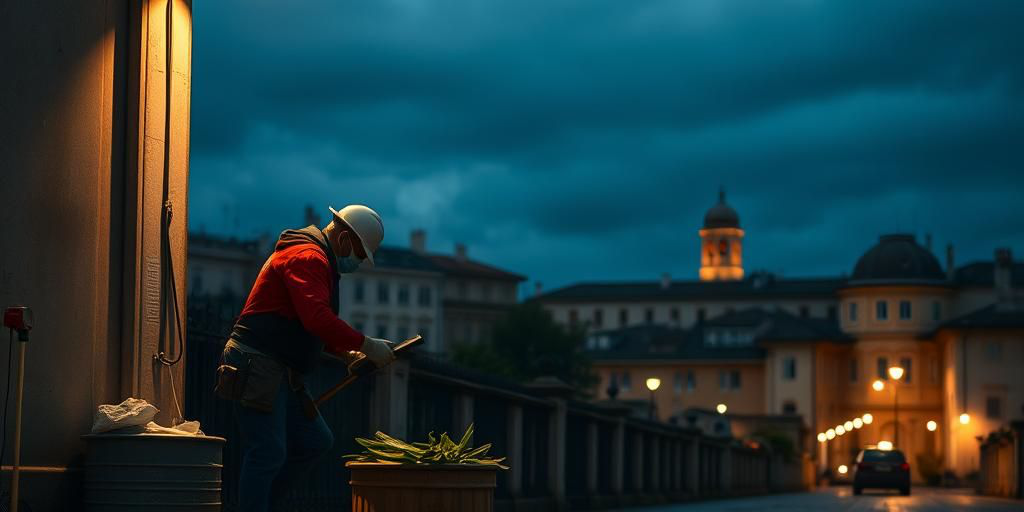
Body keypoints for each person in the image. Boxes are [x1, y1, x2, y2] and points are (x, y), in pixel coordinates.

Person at [216, 204, 395, 512]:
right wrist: (367, 345)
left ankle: (261, 505)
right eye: (361, 254)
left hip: (276, 368)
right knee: (267, 452)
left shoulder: (316, 259)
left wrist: (346, 352)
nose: (360, 262)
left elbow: (304, 323)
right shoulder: (309, 258)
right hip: (257, 364)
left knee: (314, 441)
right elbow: (316, 319)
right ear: (343, 238)